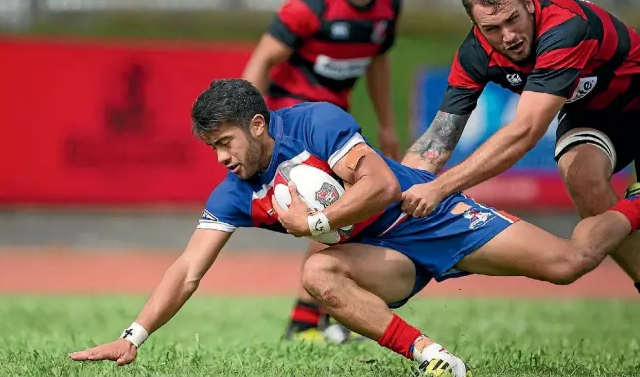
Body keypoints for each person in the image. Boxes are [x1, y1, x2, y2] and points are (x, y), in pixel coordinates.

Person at [69, 79, 640, 377]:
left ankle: (635, 203)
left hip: (429, 216)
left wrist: (314, 218)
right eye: (211, 148)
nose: (220, 159)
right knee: (318, 270)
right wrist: (133, 336)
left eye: (224, 143)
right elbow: (188, 269)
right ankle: (435, 358)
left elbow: (383, 188)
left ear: (259, 125)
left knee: (570, 264)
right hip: (382, 256)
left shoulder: (315, 123)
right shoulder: (235, 192)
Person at [400, 0, 640, 294]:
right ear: (476, 26)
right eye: (492, 28)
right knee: (581, 176)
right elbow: (437, 141)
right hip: (595, 113)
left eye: (512, 19)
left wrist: (439, 188)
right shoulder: (474, 54)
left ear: (528, 4)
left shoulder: (564, 28)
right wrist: (397, 194)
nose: (508, 36)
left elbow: (526, 130)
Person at [241, 0, 402, 341]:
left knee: (353, 205)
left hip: (333, 122)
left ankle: (322, 315)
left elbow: (377, 60)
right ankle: (309, 319)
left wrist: (387, 125)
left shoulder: (390, 2)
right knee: (329, 204)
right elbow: (261, 60)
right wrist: (244, 128)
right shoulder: (309, 5)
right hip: (291, 119)